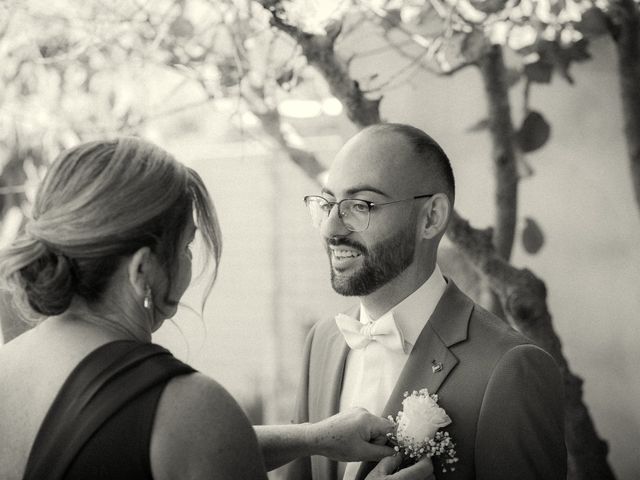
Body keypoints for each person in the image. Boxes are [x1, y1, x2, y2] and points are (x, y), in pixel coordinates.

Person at [0, 138, 434, 480]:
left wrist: (313, 438)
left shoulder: (9, 367)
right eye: (187, 247)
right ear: (142, 270)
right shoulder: (189, 406)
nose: (191, 264)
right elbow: (189, 439)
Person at [286, 123, 567, 480]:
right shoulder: (322, 341)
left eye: (361, 205)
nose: (330, 229)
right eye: (327, 203)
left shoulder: (511, 369)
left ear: (431, 218)